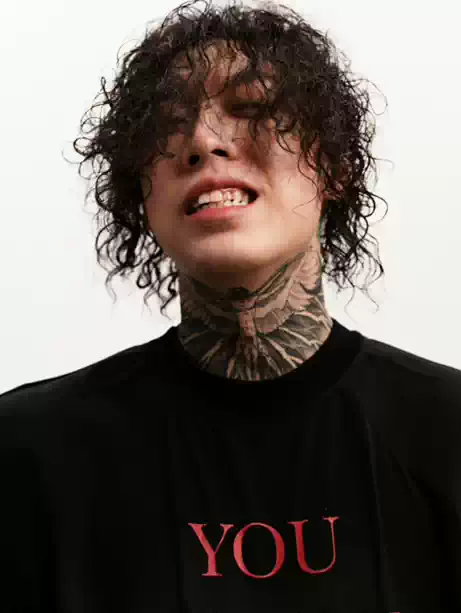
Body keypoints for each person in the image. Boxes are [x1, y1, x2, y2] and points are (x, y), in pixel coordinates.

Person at [0, 1, 460, 611]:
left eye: (253, 109)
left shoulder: (447, 432)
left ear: (334, 166)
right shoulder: (27, 455)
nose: (202, 141)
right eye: (168, 123)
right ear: (141, 195)